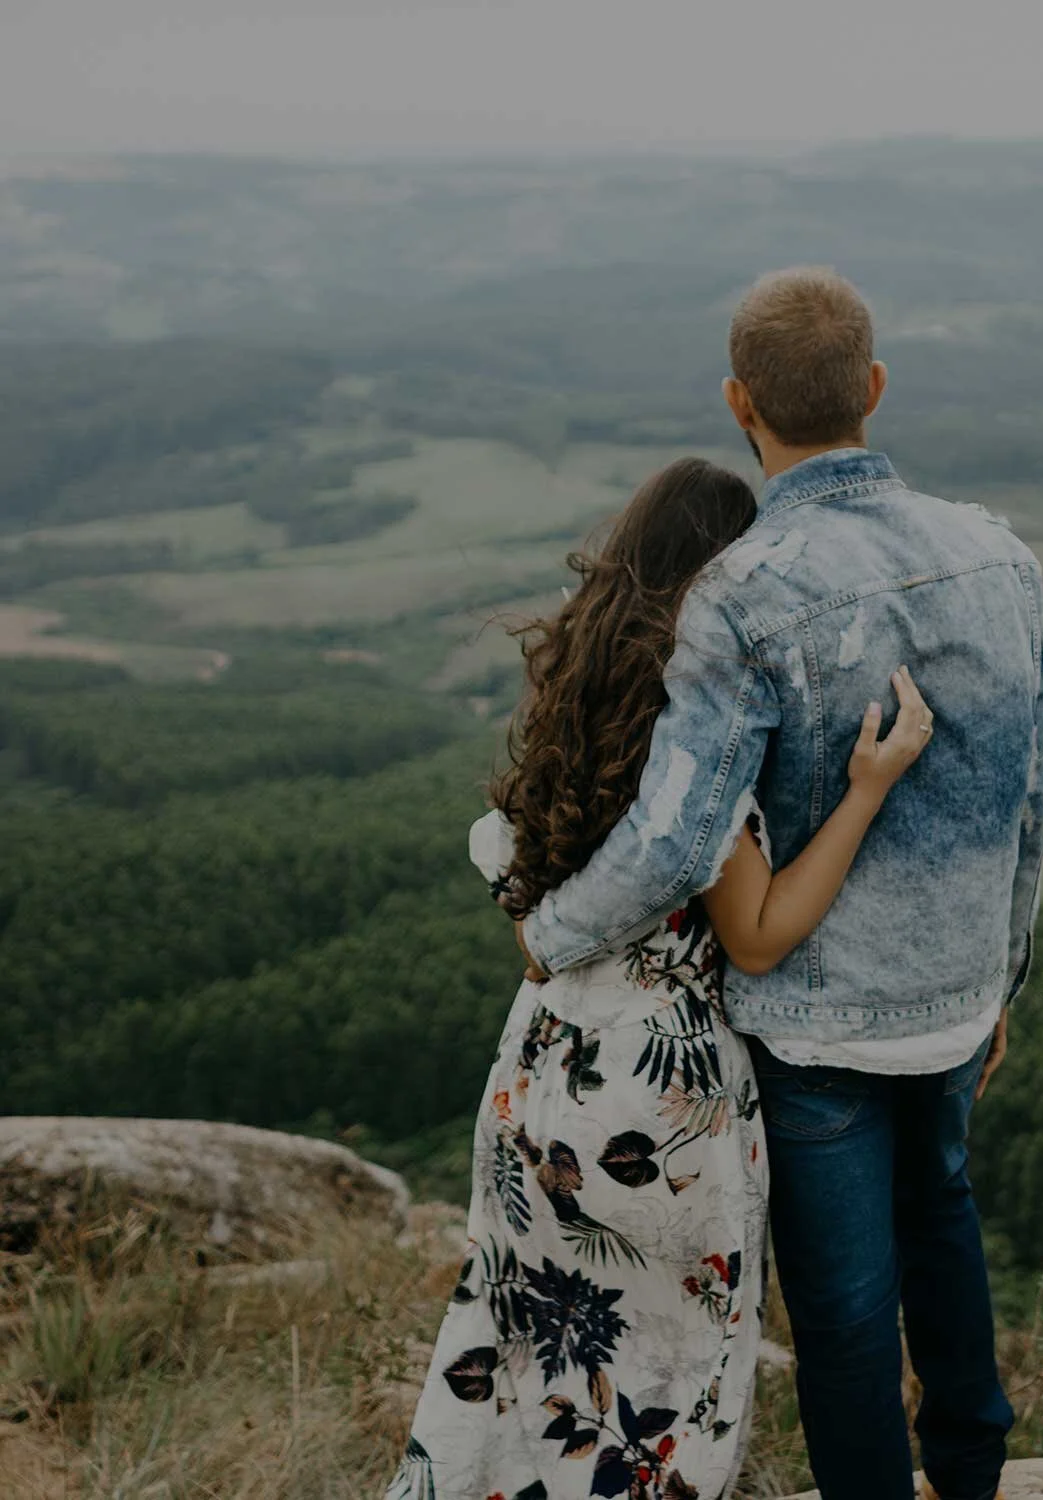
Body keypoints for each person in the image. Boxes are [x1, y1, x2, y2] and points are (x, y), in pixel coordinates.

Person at [518, 268, 1043, 1500]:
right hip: (957, 997)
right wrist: (1002, 971)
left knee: (848, 1308)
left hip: (817, 1025)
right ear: (873, 388)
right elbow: (1033, 798)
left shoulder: (744, 594)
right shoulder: (1002, 556)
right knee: (948, 1225)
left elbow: (675, 837)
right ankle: (970, 1474)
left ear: (738, 403)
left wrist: (552, 930)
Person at [388, 456, 936, 1500]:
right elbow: (760, 934)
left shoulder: (570, 713)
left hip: (538, 1083)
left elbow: (527, 912)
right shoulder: (692, 747)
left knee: (524, 1368)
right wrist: (868, 789)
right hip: (662, 1115)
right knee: (659, 1402)